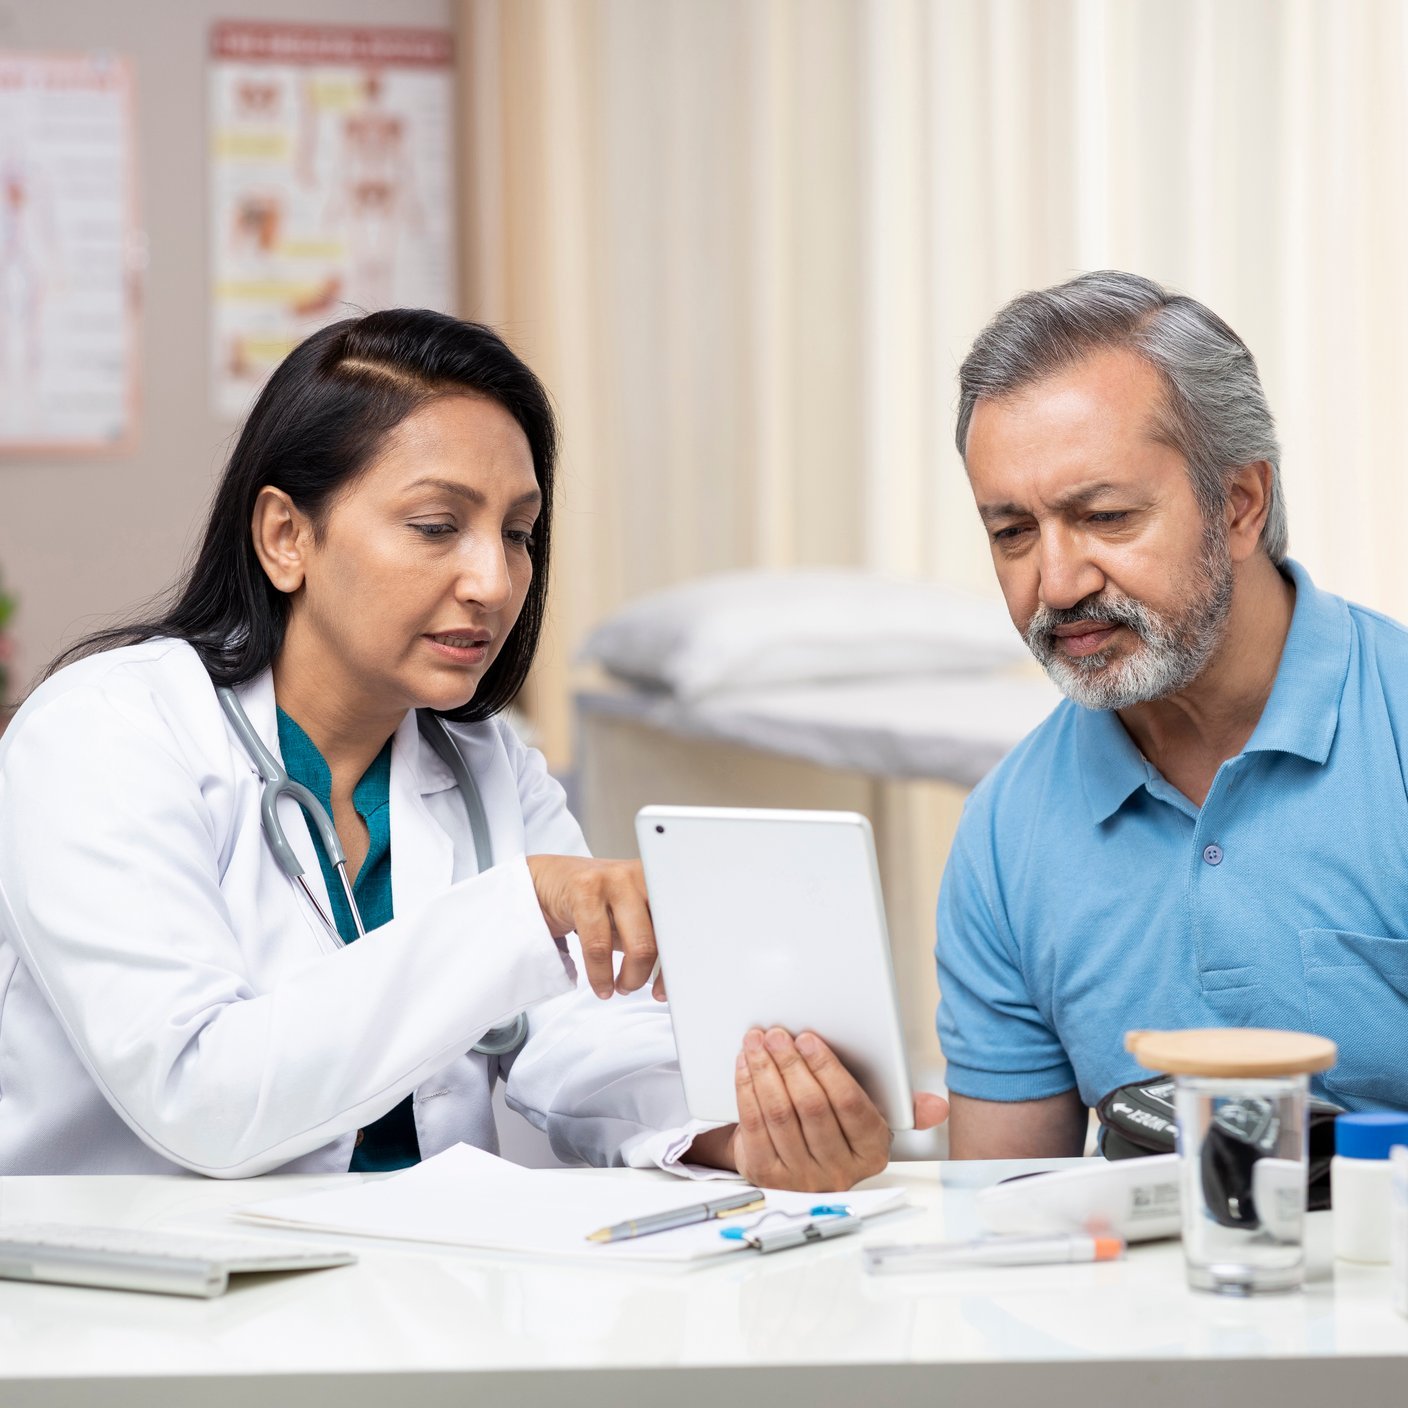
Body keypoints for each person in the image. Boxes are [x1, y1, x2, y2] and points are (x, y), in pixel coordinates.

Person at [0, 309, 944, 1182]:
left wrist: (738, 1132)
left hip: (418, 1292)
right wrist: (520, 907)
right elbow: (198, 1097)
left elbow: (580, 1032)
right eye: (437, 527)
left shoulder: (485, 760)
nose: (495, 580)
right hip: (137, 1316)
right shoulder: (104, 736)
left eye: (519, 533)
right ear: (286, 536)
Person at [937, 270, 1408, 1159]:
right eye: (1012, 533)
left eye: (1106, 517)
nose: (1058, 583)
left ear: (1240, 503)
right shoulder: (1006, 834)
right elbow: (1007, 1230)